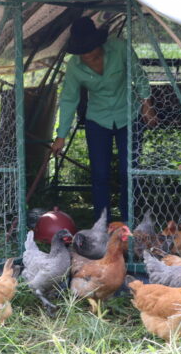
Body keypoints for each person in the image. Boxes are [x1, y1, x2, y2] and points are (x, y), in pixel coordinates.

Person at [51, 16, 157, 222]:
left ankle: (129, 222)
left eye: (90, 50)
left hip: (129, 115)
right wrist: (61, 135)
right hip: (97, 120)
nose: (87, 57)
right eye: (82, 53)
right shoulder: (74, 66)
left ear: (99, 44)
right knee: (100, 174)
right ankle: (102, 224)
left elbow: (139, 75)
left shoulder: (119, 48)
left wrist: (147, 104)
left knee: (129, 171)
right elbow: (69, 100)